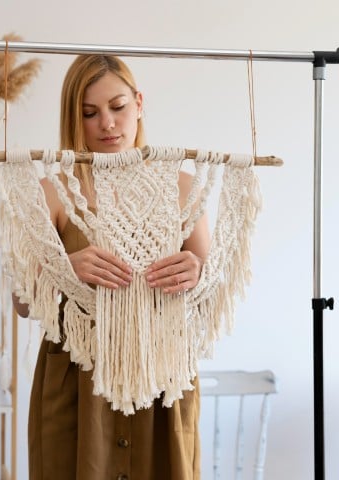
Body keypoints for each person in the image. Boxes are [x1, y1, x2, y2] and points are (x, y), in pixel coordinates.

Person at [16, 54, 210, 480]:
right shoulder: (55, 193)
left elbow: (213, 284)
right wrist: (63, 266)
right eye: (90, 113)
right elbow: (22, 302)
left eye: (118, 107)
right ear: (73, 118)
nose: (107, 123)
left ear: (139, 103)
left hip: (161, 379)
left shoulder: (181, 188)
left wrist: (196, 269)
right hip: (78, 379)